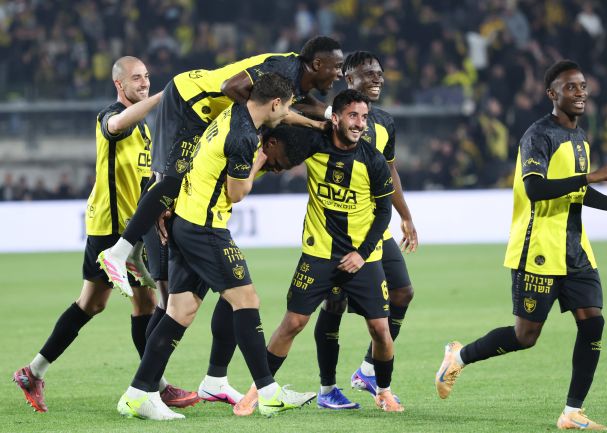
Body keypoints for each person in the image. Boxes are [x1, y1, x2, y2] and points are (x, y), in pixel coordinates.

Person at [435, 60, 607, 431]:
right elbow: (536, 188)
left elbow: (574, 188)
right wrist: (590, 177)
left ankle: (572, 412)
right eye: (570, 87)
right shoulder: (538, 135)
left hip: (575, 249)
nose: (579, 93)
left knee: (593, 323)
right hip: (538, 248)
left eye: (582, 86)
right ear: (552, 94)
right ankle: (458, 357)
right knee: (525, 336)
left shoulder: (580, 137)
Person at [116, 73, 316, 421]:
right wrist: (258, 161)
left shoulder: (232, 112)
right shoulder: (244, 137)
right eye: (285, 109)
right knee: (246, 300)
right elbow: (237, 193)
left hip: (185, 220)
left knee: (180, 311)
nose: (286, 115)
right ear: (274, 104)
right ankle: (269, 393)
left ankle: (137, 394)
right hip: (204, 228)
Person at [12, 56, 197, 413]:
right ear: (119, 84)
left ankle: (33, 371)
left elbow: (146, 180)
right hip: (111, 229)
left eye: (147, 77)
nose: (144, 83)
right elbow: (116, 124)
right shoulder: (111, 116)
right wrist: (162, 97)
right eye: (136, 78)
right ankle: (156, 387)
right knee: (140, 303)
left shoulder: (144, 129)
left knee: (95, 304)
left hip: (130, 228)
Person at [98, 36, 344, 298]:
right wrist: (246, 125)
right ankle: (117, 253)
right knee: (171, 181)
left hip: (201, 107)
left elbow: (285, 108)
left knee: (165, 180)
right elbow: (231, 86)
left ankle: (134, 250)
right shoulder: (283, 69)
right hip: (189, 100)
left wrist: (322, 120)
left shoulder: (293, 76)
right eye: (338, 67)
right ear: (318, 64)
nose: (340, 74)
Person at [235, 89, 404, 415]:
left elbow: (384, 213)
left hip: (362, 258)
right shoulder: (313, 145)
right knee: (292, 323)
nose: (360, 123)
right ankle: (258, 390)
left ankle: (383, 391)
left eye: (364, 117)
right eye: (353, 116)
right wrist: (253, 167)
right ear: (336, 117)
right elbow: (278, 146)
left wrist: (362, 253)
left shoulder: (373, 160)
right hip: (319, 254)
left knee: (381, 330)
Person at [312, 51, 417, 409]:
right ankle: (327, 389)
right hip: (338, 230)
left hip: (375, 227)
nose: (377, 78)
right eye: (368, 73)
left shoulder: (384, 121)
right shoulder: (329, 118)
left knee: (403, 292)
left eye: (380, 73)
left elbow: (390, 171)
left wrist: (405, 216)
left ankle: (369, 370)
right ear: (348, 78)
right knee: (334, 304)